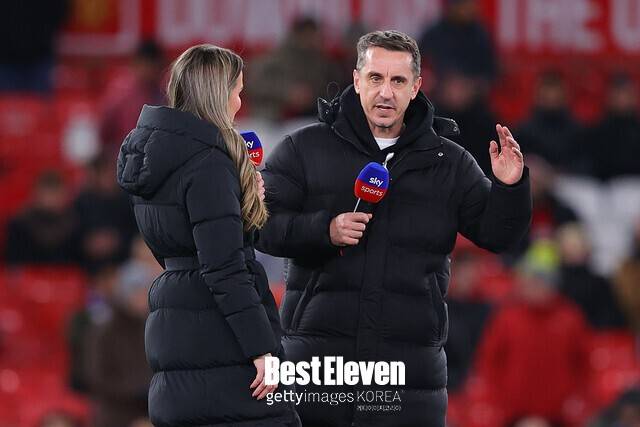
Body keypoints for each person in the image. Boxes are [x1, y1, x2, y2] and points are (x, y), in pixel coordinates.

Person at [257, 30, 531, 427]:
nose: (386, 92)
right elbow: (261, 224)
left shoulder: (449, 163)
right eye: (376, 78)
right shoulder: (304, 148)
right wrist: (324, 230)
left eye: (398, 81)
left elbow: (500, 235)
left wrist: (510, 187)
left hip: (409, 379)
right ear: (356, 80)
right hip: (317, 371)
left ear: (416, 87)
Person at [116, 44, 300, 426]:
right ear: (218, 94)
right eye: (237, 91)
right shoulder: (209, 162)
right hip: (221, 337)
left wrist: (240, 210)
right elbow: (223, 267)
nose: (239, 102)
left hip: (173, 326)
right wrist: (261, 349)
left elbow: (178, 246)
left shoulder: (152, 157)